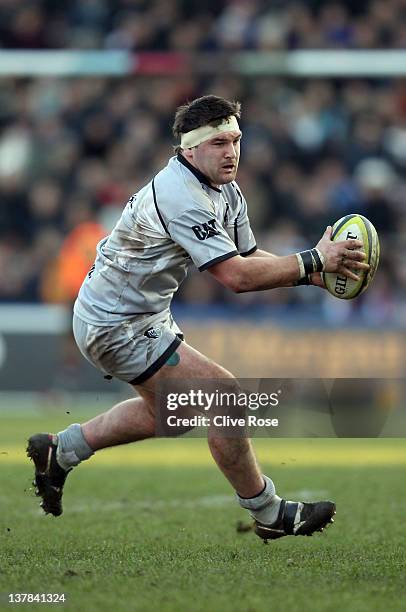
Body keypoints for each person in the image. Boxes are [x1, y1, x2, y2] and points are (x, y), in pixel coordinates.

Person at [27, 95, 368, 542]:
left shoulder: (225, 188)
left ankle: (61, 451)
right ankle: (269, 512)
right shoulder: (180, 195)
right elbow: (236, 278)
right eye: (219, 143)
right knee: (226, 397)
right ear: (190, 150)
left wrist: (312, 276)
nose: (231, 152)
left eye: (236, 140)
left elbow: (247, 257)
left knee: (177, 412)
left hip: (138, 314)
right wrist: (312, 259)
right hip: (115, 322)